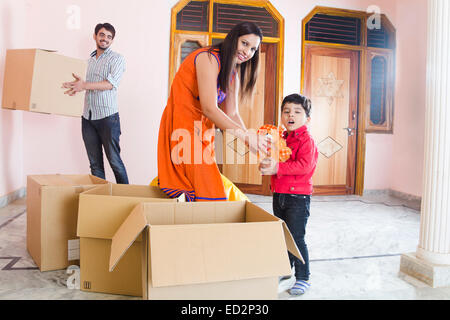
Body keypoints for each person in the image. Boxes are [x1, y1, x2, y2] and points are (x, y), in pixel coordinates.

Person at [158, 22, 269, 201]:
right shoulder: (208, 58)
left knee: (201, 188)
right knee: (208, 189)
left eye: (253, 49)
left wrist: (254, 144)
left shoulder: (234, 73)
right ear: (233, 39)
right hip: (182, 126)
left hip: (203, 132)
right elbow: (209, 108)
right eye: (244, 43)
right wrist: (247, 137)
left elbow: (233, 113)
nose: (247, 52)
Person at [259, 93, 318, 295]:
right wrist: (268, 166)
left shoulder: (307, 142)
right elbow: (277, 162)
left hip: (298, 198)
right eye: (286, 111)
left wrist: (278, 168)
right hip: (280, 195)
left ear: (307, 119)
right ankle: (286, 269)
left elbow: (304, 166)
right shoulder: (280, 139)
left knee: (297, 237)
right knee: (283, 235)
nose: (290, 115)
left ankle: (303, 277)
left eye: (297, 111)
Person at [62, 22, 129, 184]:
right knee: (95, 165)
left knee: (115, 162)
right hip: (88, 118)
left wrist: (83, 85)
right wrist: (74, 88)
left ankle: (127, 196)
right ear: (95, 36)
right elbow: (84, 85)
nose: (105, 39)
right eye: (102, 35)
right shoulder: (89, 61)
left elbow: (110, 84)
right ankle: (101, 199)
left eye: (109, 37)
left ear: (112, 40)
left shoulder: (117, 59)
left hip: (108, 118)